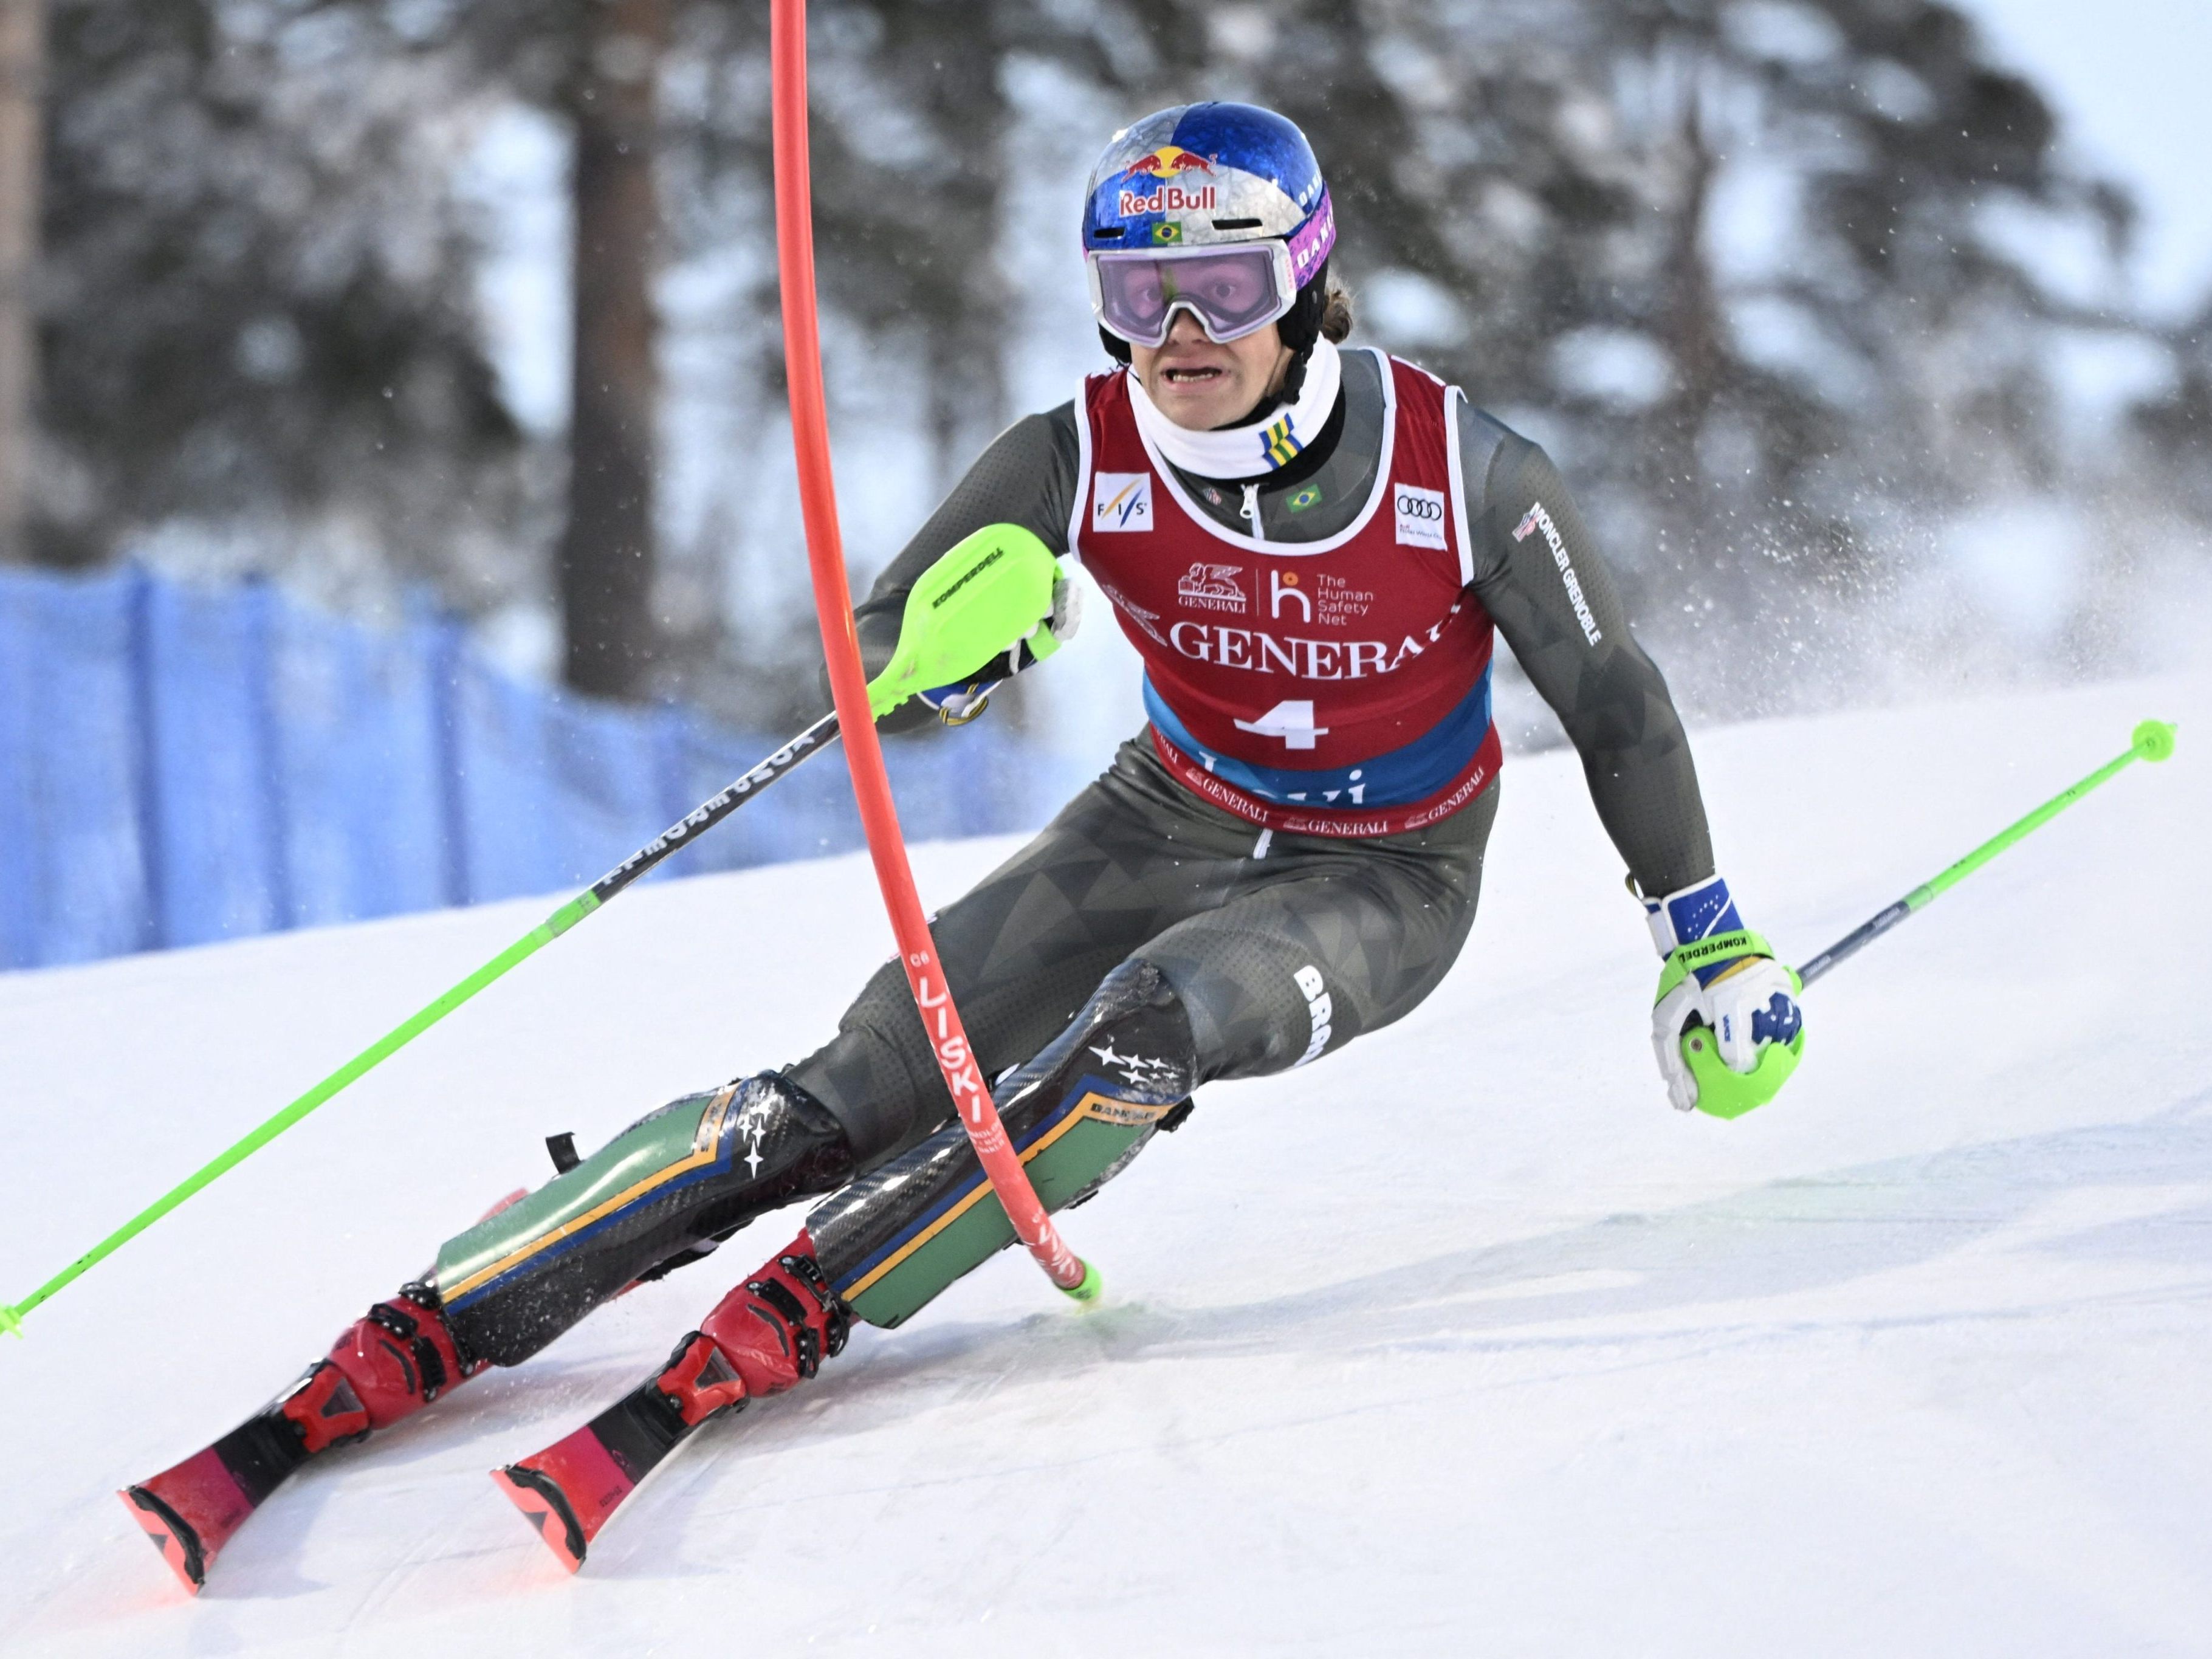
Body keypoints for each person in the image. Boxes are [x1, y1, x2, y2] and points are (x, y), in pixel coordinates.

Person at [125, 101, 1804, 1583]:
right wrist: (951, 652)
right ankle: (448, 1305)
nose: (1177, 330)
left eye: (1219, 285)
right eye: (1136, 291)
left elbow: (1620, 697)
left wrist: (1706, 932)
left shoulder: (1461, 466)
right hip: (1175, 805)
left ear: (1302, 281)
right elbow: (880, 651)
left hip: (1390, 869)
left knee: (1147, 1023)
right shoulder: (1079, 447)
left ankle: (806, 1306)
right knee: (852, 1087)